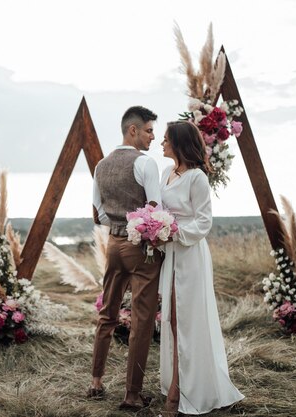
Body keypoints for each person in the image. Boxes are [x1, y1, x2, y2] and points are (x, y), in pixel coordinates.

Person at [158, 121, 244, 416]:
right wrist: (154, 228)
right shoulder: (165, 173)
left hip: (190, 255)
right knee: (171, 319)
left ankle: (181, 392)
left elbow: (204, 222)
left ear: (180, 143)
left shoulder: (197, 178)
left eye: (166, 139)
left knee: (188, 320)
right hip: (169, 255)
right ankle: (179, 381)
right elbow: (159, 211)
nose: (161, 144)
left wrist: (173, 232)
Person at [89, 105, 162, 411]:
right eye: (148, 130)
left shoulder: (101, 166)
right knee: (141, 322)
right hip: (141, 248)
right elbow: (156, 210)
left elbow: (98, 212)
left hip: (113, 245)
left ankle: (95, 381)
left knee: (107, 314)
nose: (153, 137)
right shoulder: (145, 164)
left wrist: (118, 225)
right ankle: (132, 394)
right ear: (132, 130)